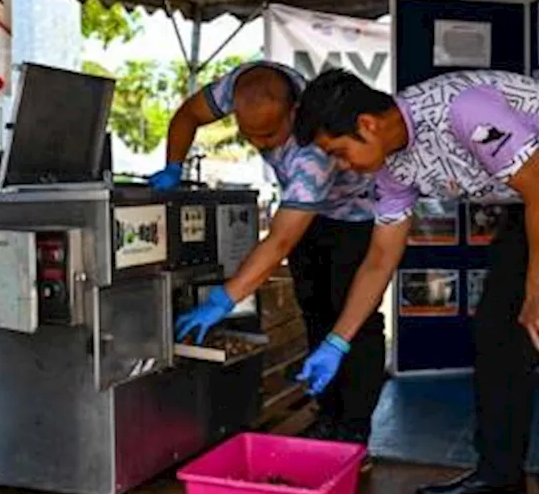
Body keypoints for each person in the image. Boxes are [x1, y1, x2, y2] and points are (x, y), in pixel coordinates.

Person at [292, 68, 539, 494]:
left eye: (338, 152)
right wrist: (337, 341)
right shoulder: (390, 167)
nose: (342, 166)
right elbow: (379, 258)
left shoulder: (465, 113)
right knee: (496, 332)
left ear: (367, 124)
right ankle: (499, 475)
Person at [152, 61, 386, 444]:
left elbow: (279, 241)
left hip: (355, 218)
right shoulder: (243, 86)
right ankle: (328, 416)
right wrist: (173, 166)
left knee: (353, 320)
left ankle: (354, 430)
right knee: (314, 311)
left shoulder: (313, 153)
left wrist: (223, 299)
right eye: (250, 134)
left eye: (271, 134)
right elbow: (187, 115)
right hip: (304, 213)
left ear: (294, 112)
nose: (261, 144)